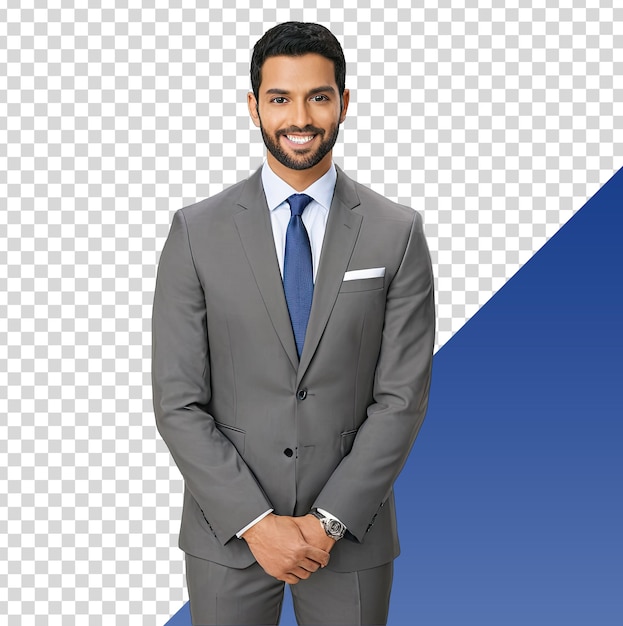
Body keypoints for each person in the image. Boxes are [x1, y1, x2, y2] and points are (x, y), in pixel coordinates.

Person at [152, 21, 435, 626]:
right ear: (253, 106)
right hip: (227, 540)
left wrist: (328, 522)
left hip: (353, 537)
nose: (299, 117)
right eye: (280, 98)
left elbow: (402, 399)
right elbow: (178, 402)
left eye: (318, 96)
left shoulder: (397, 232)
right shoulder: (195, 233)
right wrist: (257, 526)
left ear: (345, 103)